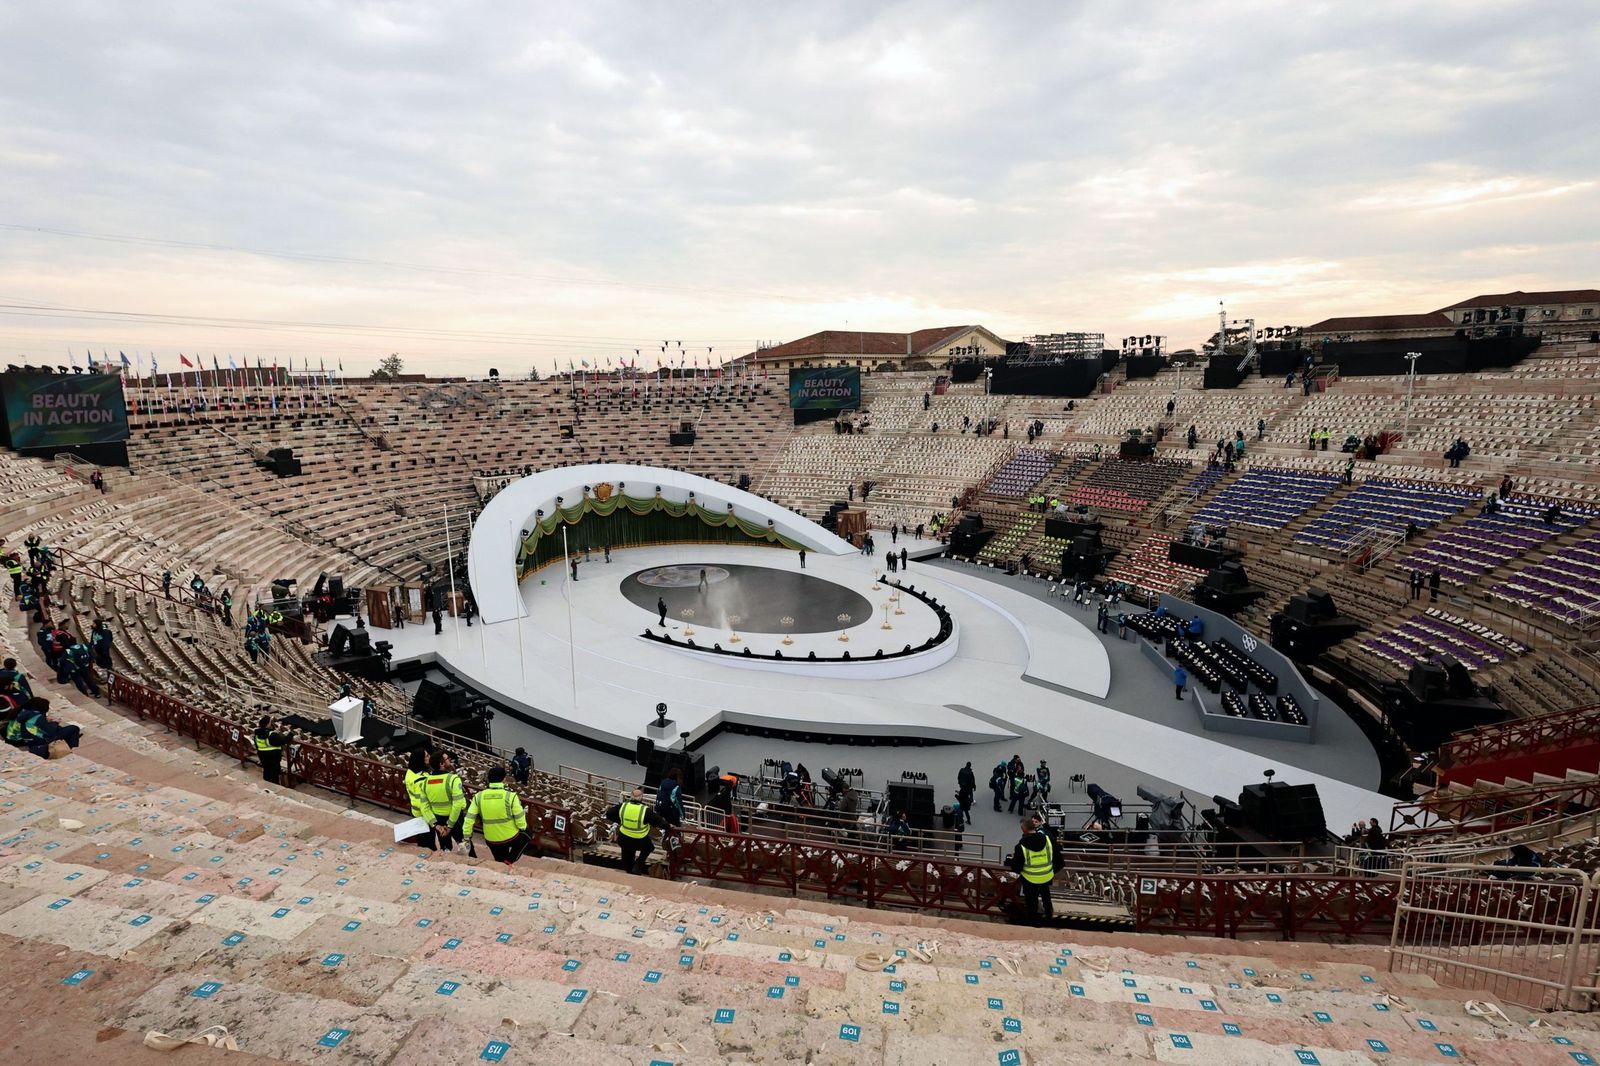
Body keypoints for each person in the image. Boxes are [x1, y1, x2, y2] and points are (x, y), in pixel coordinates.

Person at [463, 766, 530, 865]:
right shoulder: (510, 796)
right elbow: (521, 821)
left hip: (491, 840)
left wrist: (467, 836)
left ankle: (502, 865)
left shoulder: (478, 797)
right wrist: (522, 827)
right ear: (504, 779)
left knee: (499, 860)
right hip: (510, 837)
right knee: (527, 834)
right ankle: (510, 860)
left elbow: (469, 819)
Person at [605, 787, 670, 875]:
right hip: (639, 839)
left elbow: (609, 814)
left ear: (630, 797)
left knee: (627, 857)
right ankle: (638, 864)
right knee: (649, 848)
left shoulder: (623, 806)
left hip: (624, 838)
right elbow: (660, 822)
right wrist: (668, 827)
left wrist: (620, 821)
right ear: (641, 798)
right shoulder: (645, 810)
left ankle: (629, 872)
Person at [1009, 816, 1055, 925]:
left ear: (1024, 830)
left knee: (1031, 901)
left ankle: (1033, 923)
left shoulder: (1021, 846)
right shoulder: (1047, 839)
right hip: (1047, 875)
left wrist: (1011, 862)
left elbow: (1017, 867)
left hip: (1031, 878)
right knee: (1046, 896)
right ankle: (1049, 915)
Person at [422, 750, 467, 851]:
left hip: (438, 820)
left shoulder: (425, 782)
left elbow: (424, 808)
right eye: (447, 759)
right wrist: (449, 826)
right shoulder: (453, 779)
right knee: (466, 846)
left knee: (445, 848)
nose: (449, 761)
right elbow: (457, 805)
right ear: (441, 764)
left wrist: (435, 825)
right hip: (455, 820)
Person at [403, 749, 437, 848]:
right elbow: (423, 802)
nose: (429, 757)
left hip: (416, 811)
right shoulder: (420, 780)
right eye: (426, 756)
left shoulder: (410, 772)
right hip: (424, 814)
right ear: (420, 760)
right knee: (428, 841)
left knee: (422, 839)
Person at [254, 715, 285, 784]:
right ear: (268, 724)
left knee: (266, 770)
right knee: (275, 774)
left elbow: (257, 745)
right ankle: (274, 787)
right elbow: (283, 741)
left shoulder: (257, 734)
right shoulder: (272, 734)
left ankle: (267, 784)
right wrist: (290, 735)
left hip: (262, 756)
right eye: (270, 722)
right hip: (274, 757)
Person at [957, 761, 976, 826]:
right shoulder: (970, 773)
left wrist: (959, 783)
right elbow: (972, 780)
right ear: (970, 766)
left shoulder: (962, 770)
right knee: (970, 794)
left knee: (961, 809)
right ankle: (971, 800)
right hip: (968, 787)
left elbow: (958, 776)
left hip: (962, 786)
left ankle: (960, 820)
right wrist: (974, 786)